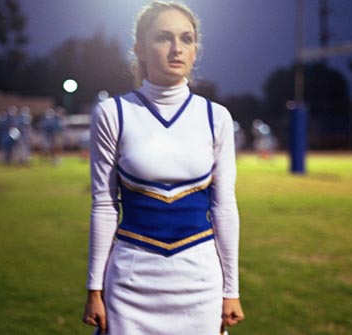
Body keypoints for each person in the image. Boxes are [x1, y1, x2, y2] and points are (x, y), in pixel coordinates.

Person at [83, 2, 244, 334]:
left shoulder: (217, 118)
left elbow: (224, 206)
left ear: (196, 49)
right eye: (163, 38)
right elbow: (103, 204)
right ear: (140, 49)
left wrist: (231, 291)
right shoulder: (113, 113)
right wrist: (94, 290)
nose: (177, 48)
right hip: (130, 281)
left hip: (200, 281)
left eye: (186, 39)